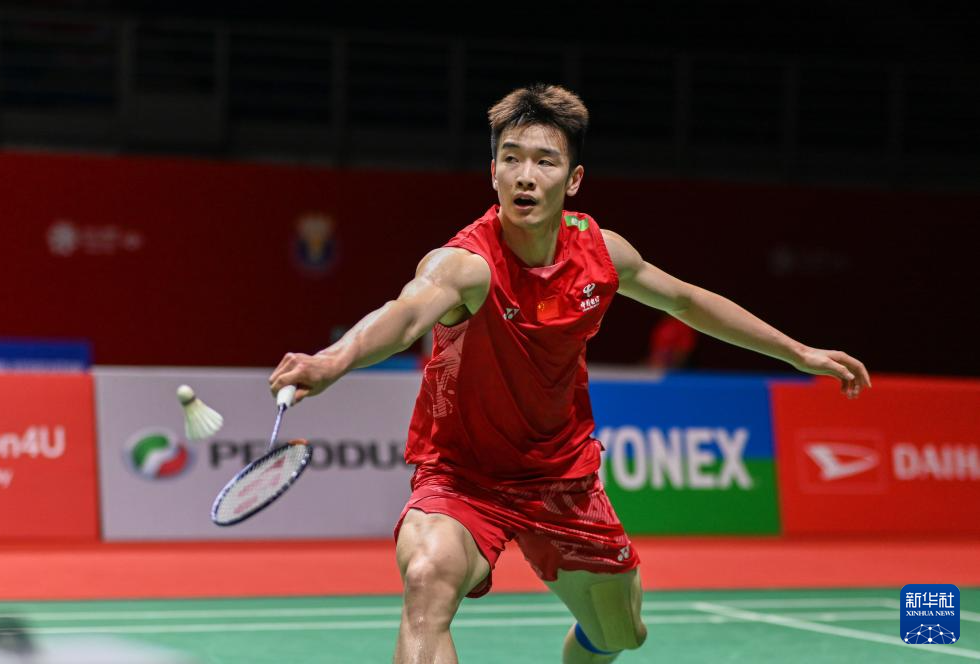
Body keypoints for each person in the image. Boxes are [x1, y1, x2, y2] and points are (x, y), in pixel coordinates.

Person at [268, 83, 871, 664]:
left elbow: (687, 301)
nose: (525, 175)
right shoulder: (466, 266)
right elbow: (404, 314)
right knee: (428, 579)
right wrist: (333, 360)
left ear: (573, 179)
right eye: (511, 159)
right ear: (493, 173)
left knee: (621, 631)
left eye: (544, 161)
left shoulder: (602, 254)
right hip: (463, 476)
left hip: (562, 477)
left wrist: (798, 353)